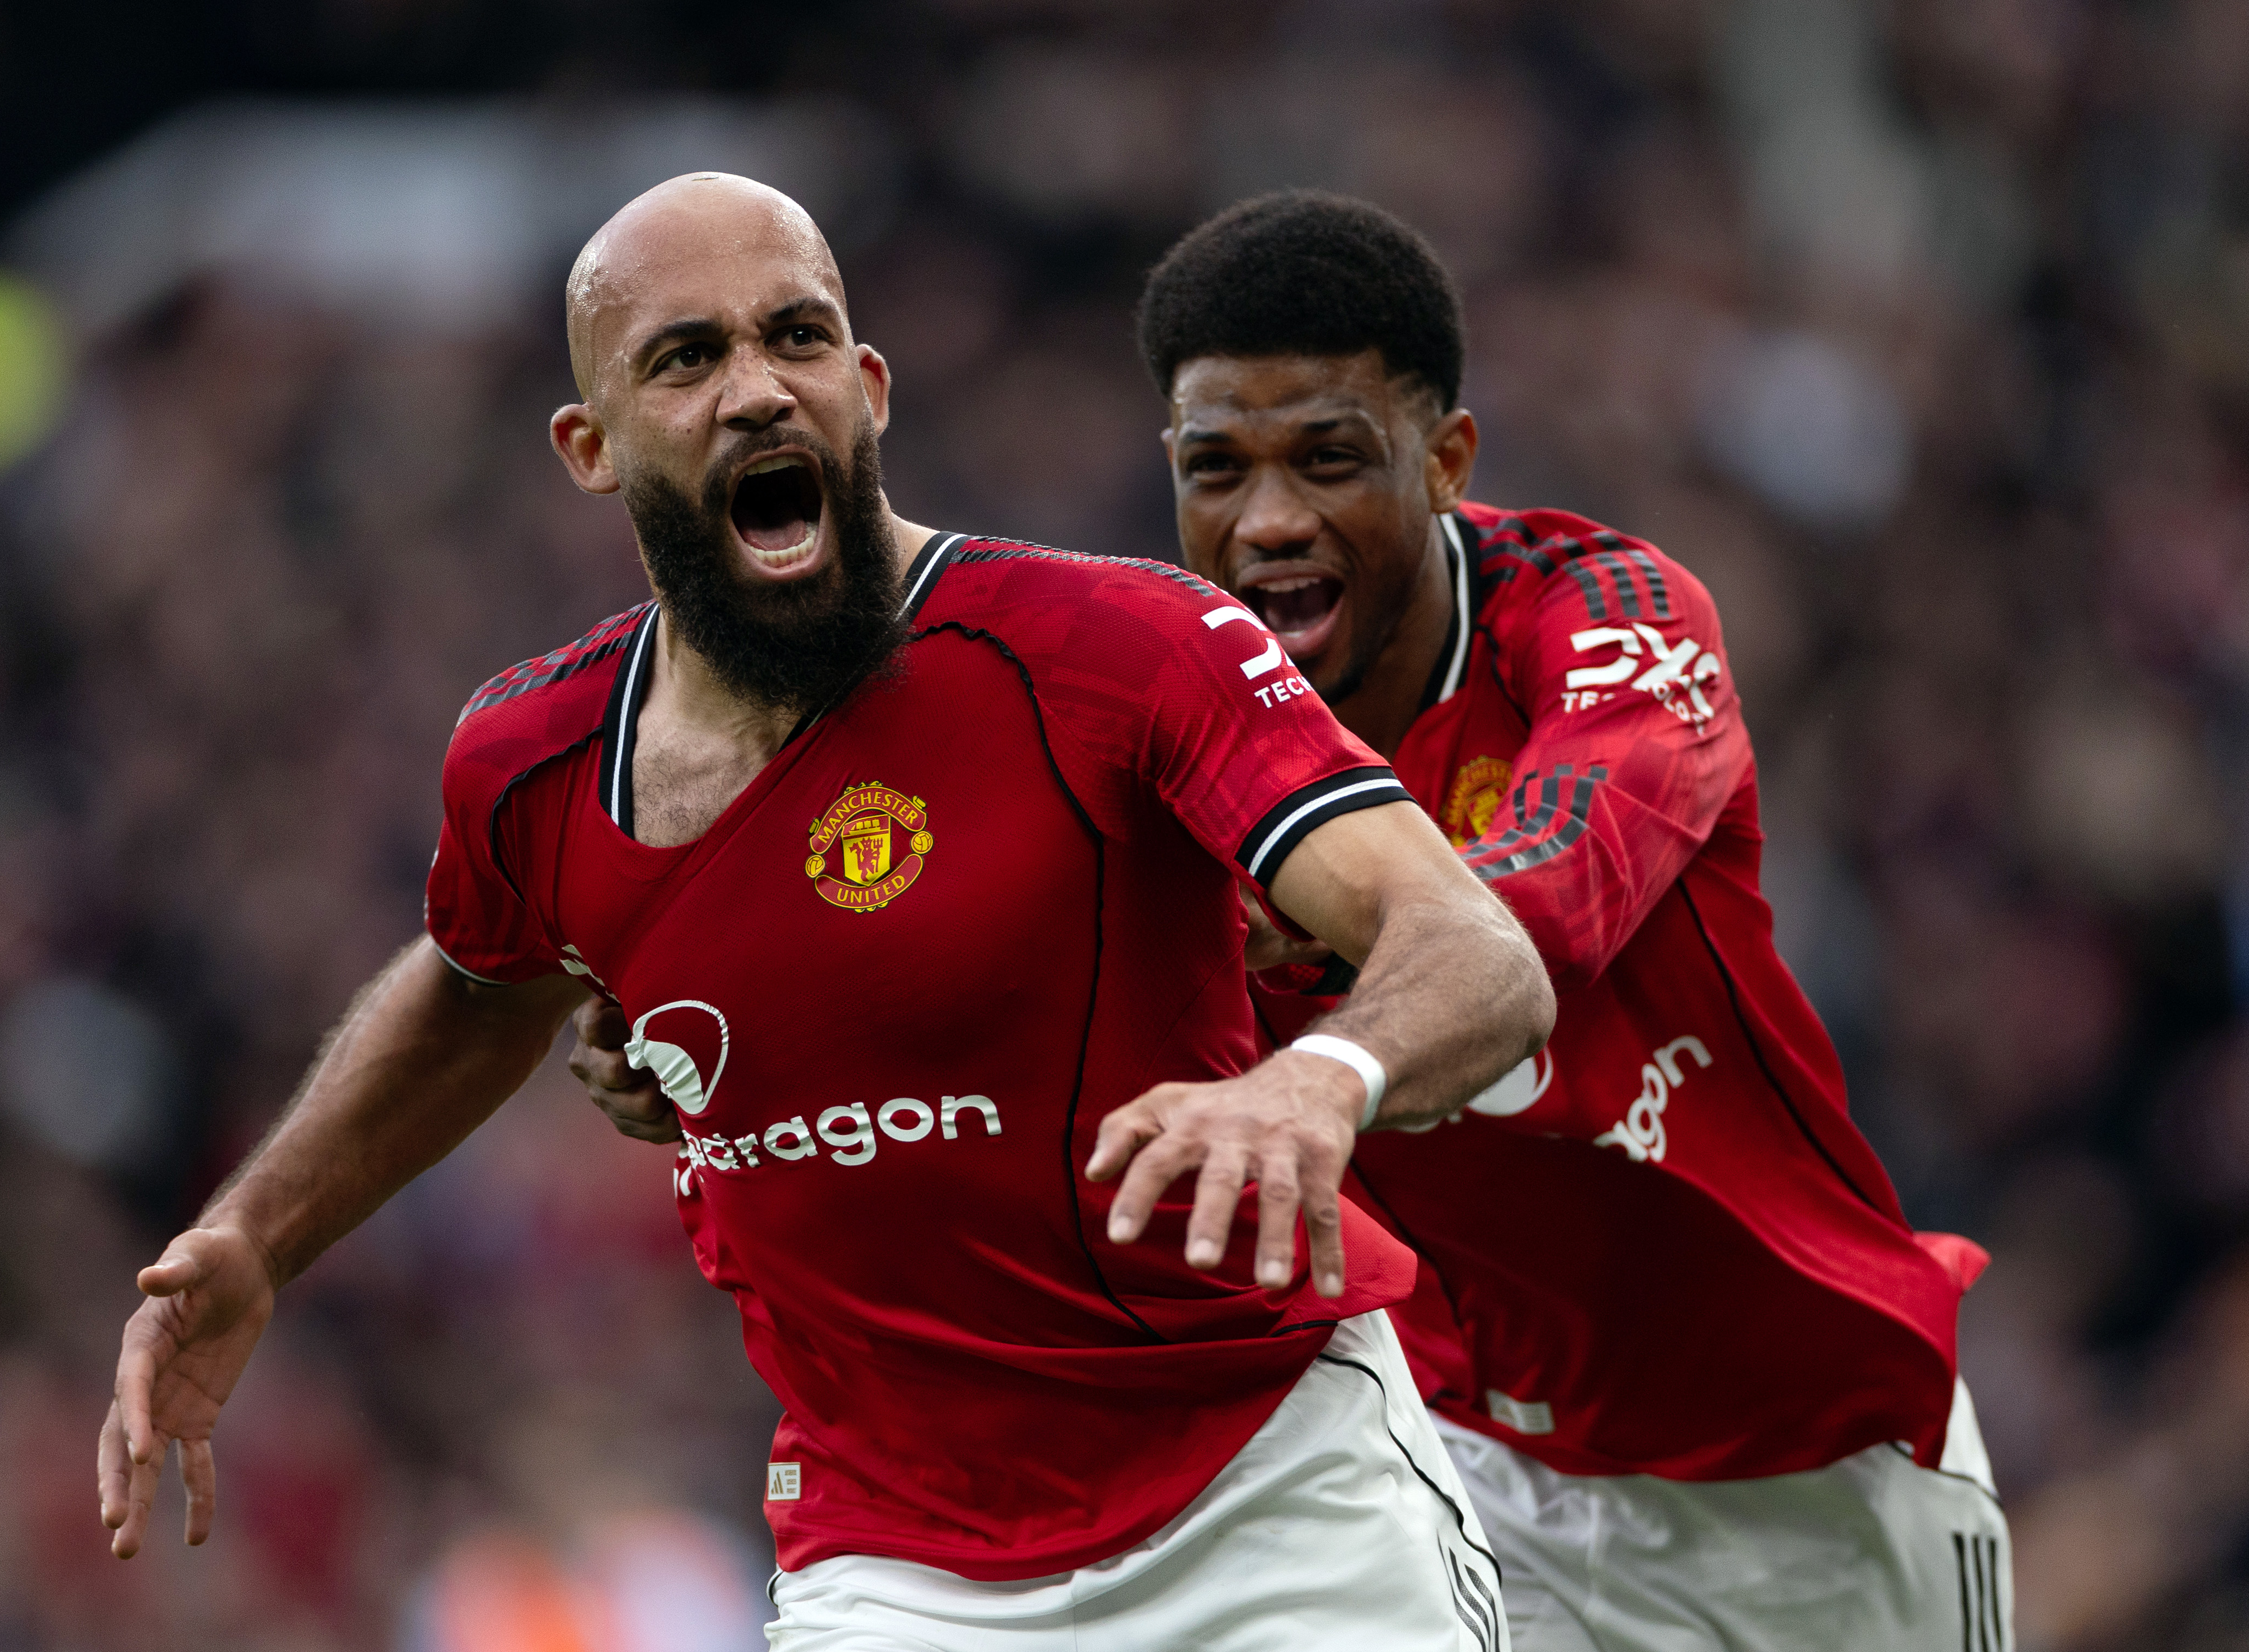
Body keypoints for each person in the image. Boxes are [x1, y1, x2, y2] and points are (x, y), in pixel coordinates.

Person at [96, 173, 1554, 1651]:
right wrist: (256, 1235)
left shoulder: (1120, 651)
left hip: (1267, 1491)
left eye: (794, 336)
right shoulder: (530, 761)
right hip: (899, 1564)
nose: (754, 390)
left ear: (867, 386)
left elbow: (1474, 951)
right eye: (685, 357)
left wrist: (1319, 1080)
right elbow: (480, 987)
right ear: (589, 447)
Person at [1124, 190, 2010, 1650]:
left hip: (1812, 1471)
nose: (1269, 521)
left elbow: (1552, 899)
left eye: (1329, 458)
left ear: (1447, 456)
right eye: (1216, 468)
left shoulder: (1612, 617)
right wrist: (708, 1053)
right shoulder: (1169, 715)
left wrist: (1341, 994)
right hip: (1463, 1480)